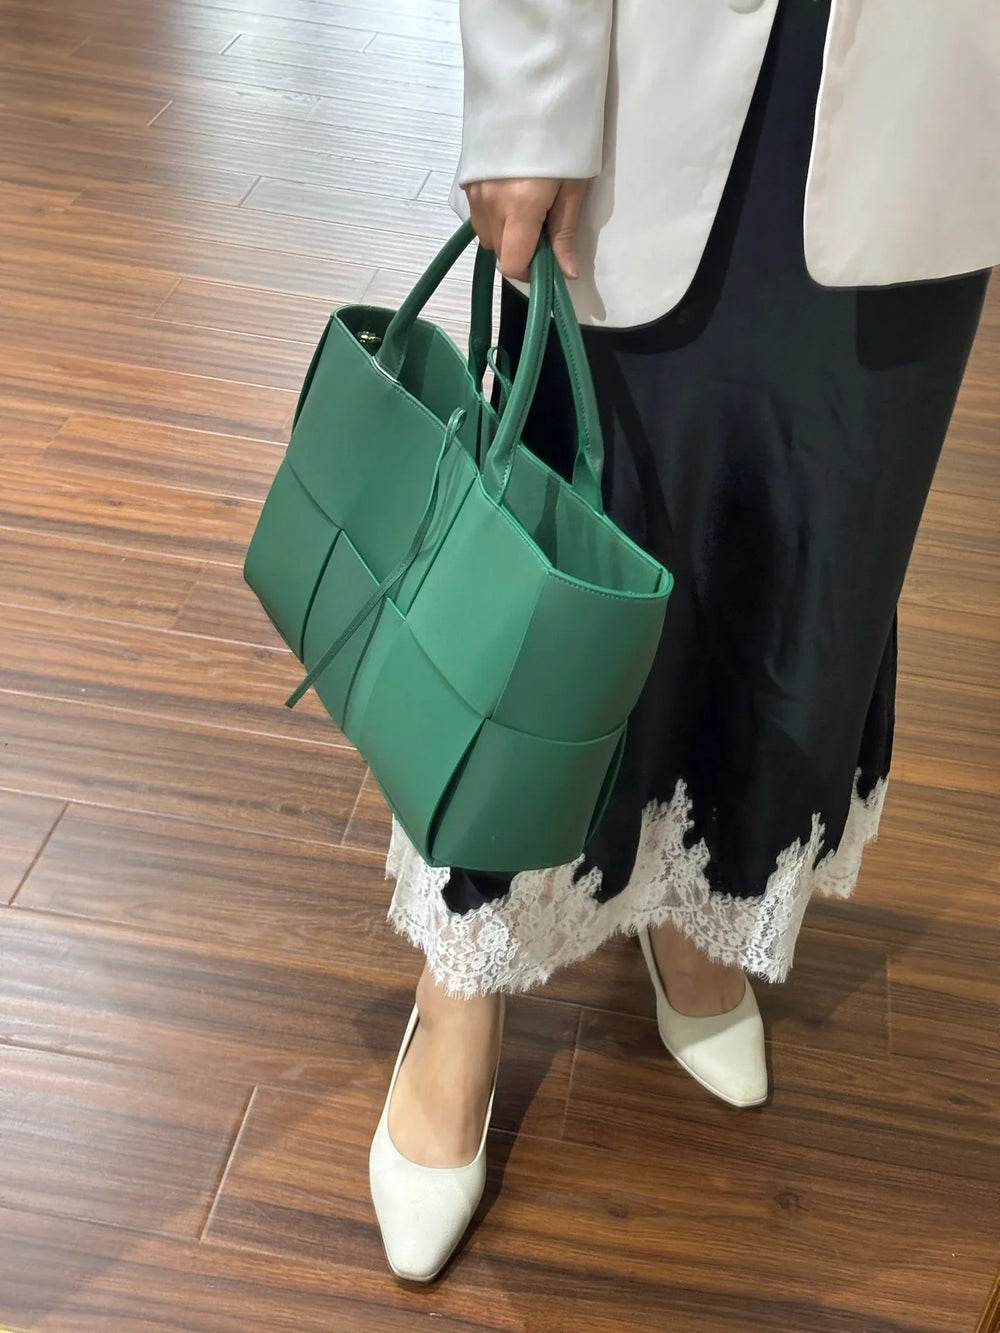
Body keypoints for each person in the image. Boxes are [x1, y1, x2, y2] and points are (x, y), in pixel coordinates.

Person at [368, 0, 998, 1282]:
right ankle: (459, 988)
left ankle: (696, 899)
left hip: (937, 86)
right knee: (574, 533)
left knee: (814, 541)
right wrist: (526, 93)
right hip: (640, 64)